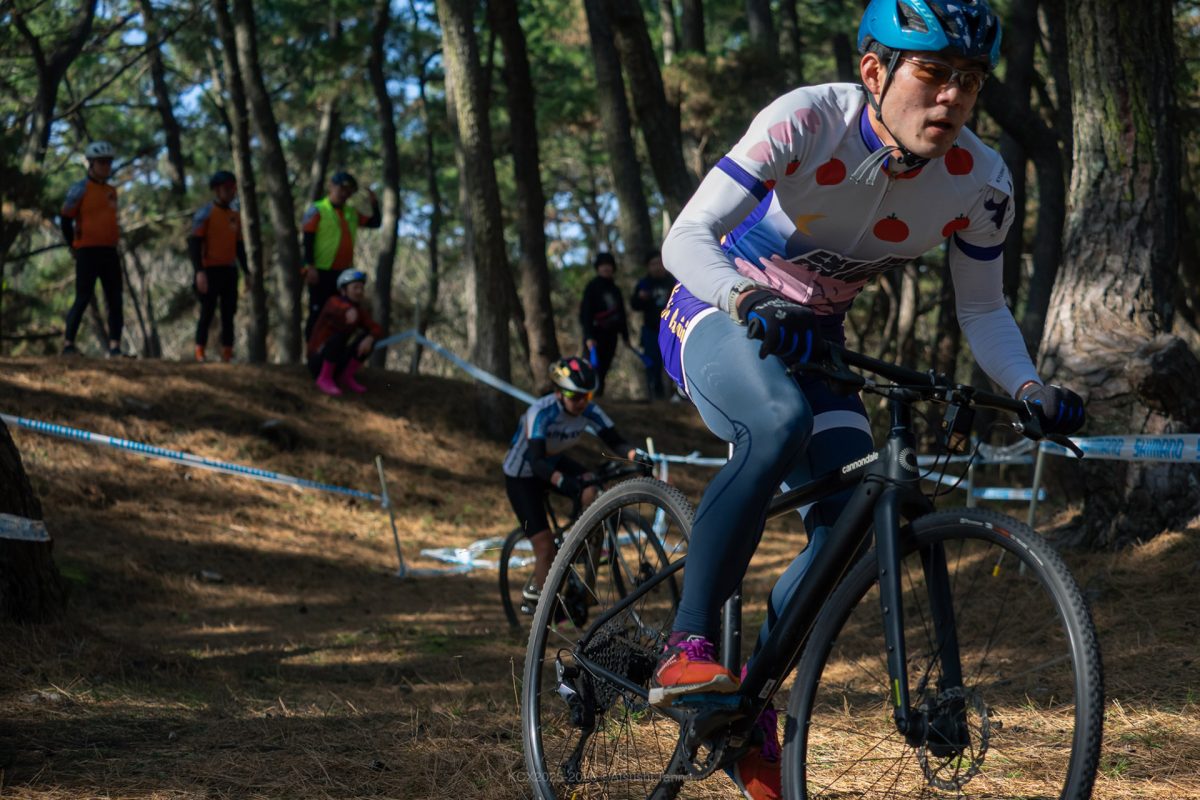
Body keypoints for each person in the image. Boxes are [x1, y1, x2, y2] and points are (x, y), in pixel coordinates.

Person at [653, 2, 1086, 798]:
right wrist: (747, 298)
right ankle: (686, 646)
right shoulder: (808, 121)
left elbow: (982, 309)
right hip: (718, 308)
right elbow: (685, 238)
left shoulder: (980, 178)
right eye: (933, 73)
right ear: (874, 71)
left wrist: (1028, 386)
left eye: (970, 80)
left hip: (817, 341)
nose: (952, 97)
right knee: (777, 422)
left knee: (850, 524)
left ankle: (744, 709)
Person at [502, 357, 640, 609]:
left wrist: (636, 456)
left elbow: (615, 440)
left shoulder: (588, 410)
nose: (581, 402)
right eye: (574, 396)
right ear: (558, 392)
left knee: (592, 488)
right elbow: (536, 461)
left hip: (552, 461)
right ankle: (543, 610)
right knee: (545, 547)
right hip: (523, 473)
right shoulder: (540, 413)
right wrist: (562, 480)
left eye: (587, 396)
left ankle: (580, 544)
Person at [60, 141, 124, 357]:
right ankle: (68, 344)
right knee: (83, 297)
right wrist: (73, 245)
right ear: (91, 163)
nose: (106, 166)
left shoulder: (111, 191)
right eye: (101, 162)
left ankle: (115, 347)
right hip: (87, 251)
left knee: (115, 298)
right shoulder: (80, 189)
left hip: (110, 251)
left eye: (109, 162)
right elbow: (65, 219)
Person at [301, 171, 381, 339]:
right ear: (331, 186)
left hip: (343, 273)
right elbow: (307, 238)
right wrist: (310, 266)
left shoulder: (351, 213)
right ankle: (311, 349)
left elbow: (375, 223)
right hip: (321, 270)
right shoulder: (317, 209)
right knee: (318, 311)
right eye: (342, 188)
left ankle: (331, 352)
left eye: (349, 191)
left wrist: (374, 203)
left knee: (340, 313)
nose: (345, 193)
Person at [188, 170, 248, 363]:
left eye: (233, 188)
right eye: (227, 188)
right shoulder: (205, 213)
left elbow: (239, 246)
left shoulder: (235, 215)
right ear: (217, 190)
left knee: (229, 313)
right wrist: (199, 271)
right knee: (207, 311)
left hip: (229, 270)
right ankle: (200, 351)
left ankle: (227, 353)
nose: (231, 192)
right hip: (209, 270)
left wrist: (247, 271)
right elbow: (194, 243)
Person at [305, 270, 381, 396]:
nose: (359, 291)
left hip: (338, 361)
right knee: (338, 337)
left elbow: (376, 328)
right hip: (317, 361)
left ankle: (346, 377)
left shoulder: (359, 311)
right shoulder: (333, 302)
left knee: (367, 338)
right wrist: (347, 310)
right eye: (355, 287)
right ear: (343, 290)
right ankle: (324, 378)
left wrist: (370, 337)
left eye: (361, 288)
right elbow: (336, 308)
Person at [578, 252, 629, 397]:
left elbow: (621, 314)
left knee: (605, 366)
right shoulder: (592, 287)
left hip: (611, 335)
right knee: (591, 367)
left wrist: (625, 336)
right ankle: (586, 396)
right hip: (595, 334)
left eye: (608, 265)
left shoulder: (615, 289)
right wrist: (588, 336)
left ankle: (599, 396)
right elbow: (585, 313)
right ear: (598, 268)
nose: (606, 268)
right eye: (602, 265)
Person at [629, 250, 675, 400]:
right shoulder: (644, 283)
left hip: (672, 330)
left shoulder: (672, 281)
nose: (657, 267)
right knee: (652, 365)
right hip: (651, 331)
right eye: (653, 264)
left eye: (659, 263)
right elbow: (634, 304)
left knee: (674, 362)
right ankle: (655, 396)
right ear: (648, 267)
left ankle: (676, 394)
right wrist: (641, 298)